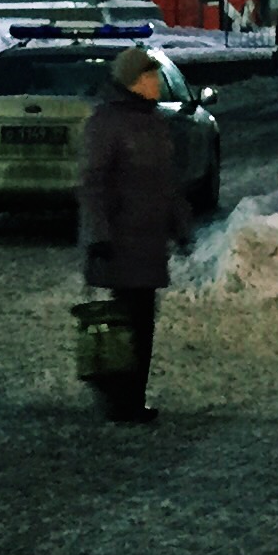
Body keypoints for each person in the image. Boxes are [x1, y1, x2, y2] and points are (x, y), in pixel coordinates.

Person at [74, 44, 191, 425]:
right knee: (126, 321)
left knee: (142, 322)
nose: (157, 83)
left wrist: (180, 224)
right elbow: (93, 184)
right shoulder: (106, 122)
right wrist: (98, 236)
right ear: (133, 81)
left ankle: (130, 398)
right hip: (120, 241)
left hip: (148, 239)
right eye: (150, 76)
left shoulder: (153, 121)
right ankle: (121, 400)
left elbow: (167, 182)